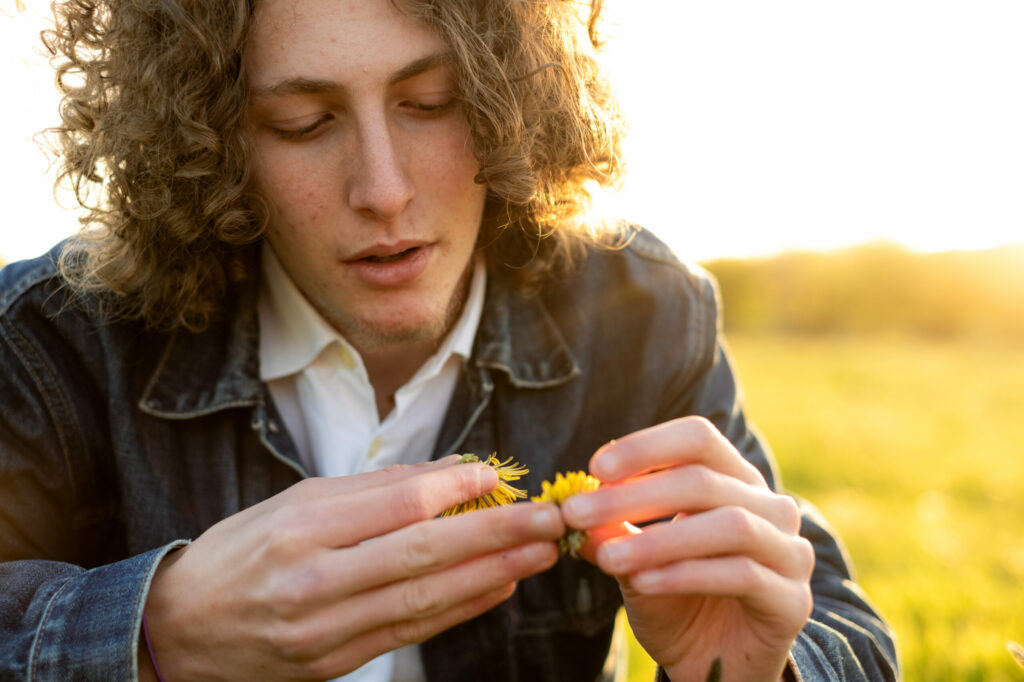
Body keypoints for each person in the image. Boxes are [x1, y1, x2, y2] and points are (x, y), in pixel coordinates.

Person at [0, 0, 898, 680]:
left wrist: (746, 669)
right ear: (204, 140)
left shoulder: (639, 313)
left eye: (432, 103)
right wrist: (153, 634)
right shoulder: (53, 338)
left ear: (514, 100)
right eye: (303, 123)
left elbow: (840, 630)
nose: (384, 190)